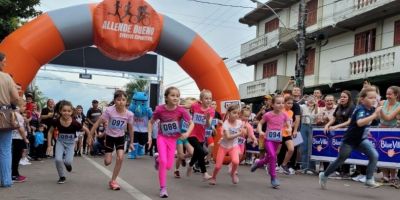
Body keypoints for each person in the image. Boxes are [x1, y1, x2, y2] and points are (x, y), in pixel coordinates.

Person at [319, 87, 381, 189]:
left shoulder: (372, 109)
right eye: (370, 98)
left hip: (361, 140)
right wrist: (374, 115)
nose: (373, 100)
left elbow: (372, 121)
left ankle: (369, 179)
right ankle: (324, 175)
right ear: (362, 99)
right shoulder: (360, 108)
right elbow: (360, 123)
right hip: (349, 141)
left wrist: (378, 111)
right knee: (340, 160)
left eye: (375, 97)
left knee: (374, 155)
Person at [147, 87, 194, 198]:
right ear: (166, 97)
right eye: (172, 95)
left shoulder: (181, 110)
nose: (175, 98)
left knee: (168, 166)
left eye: (177, 96)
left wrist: (187, 133)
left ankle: (157, 159)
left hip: (173, 140)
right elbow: (150, 122)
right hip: (162, 137)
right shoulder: (160, 109)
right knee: (164, 162)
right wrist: (149, 137)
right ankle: (163, 188)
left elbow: (192, 123)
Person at [90, 90, 134, 190]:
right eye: (118, 100)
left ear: (126, 101)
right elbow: (97, 123)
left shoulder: (129, 114)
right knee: (107, 162)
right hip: (109, 137)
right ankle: (109, 156)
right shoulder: (109, 111)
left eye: (123, 100)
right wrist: (89, 136)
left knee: (120, 158)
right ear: (114, 101)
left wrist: (131, 142)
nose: (121, 102)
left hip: (120, 137)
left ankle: (113, 180)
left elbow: (131, 128)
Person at [251, 95, 292, 188]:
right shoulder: (268, 114)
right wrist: (261, 131)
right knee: (273, 156)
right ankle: (273, 178)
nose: (281, 105)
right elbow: (260, 123)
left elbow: (289, 125)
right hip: (268, 139)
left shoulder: (284, 115)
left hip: (278, 140)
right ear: (272, 105)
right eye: (278, 103)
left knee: (270, 157)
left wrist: (289, 129)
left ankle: (258, 163)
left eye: (282, 103)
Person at [47, 100, 89, 184]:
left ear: (72, 112)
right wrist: (49, 145)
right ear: (60, 111)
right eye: (64, 111)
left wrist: (89, 138)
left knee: (68, 161)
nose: (66, 113)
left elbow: (86, 129)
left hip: (70, 143)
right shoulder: (56, 121)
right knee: (58, 159)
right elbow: (50, 132)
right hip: (60, 142)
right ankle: (62, 176)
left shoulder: (74, 123)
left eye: (69, 111)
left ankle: (68, 165)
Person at [209, 104, 244, 185]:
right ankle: (213, 177)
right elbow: (228, 137)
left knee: (236, 161)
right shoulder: (225, 124)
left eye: (238, 113)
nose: (236, 115)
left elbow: (243, 131)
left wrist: (244, 133)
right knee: (218, 166)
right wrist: (239, 134)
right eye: (234, 113)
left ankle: (232, 173)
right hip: (223, 147)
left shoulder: (239, 122)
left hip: (233, 146)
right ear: (229, 113)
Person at [323, 90, 355, 178]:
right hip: (338, 133)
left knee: (345, 151)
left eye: (344, 97)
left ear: (348, 98)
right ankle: (335, 170)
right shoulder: (339, 106)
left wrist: (337, 127)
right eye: (341, 97)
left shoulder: (352, 107)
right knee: (337, 151)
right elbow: (333, 118)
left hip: (348, 132)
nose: (342, 98)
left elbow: (349, 122)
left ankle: (345, 172)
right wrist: (327, 125)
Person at [0, 52, 20, 188]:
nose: (5, 64)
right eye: (4, 61)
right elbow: (15, 98)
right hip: (3, 114)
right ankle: (6, 180)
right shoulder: (6, 77)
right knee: (5, 149)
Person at [186, 90, 214, 181]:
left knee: (196, 153)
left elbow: (208, 126)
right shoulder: (195, 106)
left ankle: (190, 165)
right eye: (206, 98)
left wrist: (207, 120)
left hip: (201, 136)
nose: (208, 100)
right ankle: (204, 173)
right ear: (201, 99)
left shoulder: (211, 111)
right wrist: (178, 106)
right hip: (191, 133)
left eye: (210, 98)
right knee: (201, 152)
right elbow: (188, 106)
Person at [378, 86, 400, 184]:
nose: (387, 96)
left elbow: (388, 118)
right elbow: (376, 116)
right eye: (387, 94)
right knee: (381, 153)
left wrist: (380, 110)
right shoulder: (382, 102)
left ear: (396, 95)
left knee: (391, 153)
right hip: (380, 131)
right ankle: (385, 176)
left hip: (392, 132)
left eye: (390, 94)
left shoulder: (399, 106)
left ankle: (393, 176)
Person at [174, 98, 195, 178]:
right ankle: (176, 170)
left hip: (186, 137)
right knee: (180, 155)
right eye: (189, 104)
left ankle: (183, 157)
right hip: (179, 136)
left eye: (191, 105)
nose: (190, 106)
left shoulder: (192, 115)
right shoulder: (180, 112)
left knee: (192, 153)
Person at [11, 98, 30, 183]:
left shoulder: (12, 114)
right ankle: (14, 175)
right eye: (24, 106)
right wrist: (25, 139)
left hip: (14, 138)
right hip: (18, 138)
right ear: (18, 106)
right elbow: (20, 129)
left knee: (15, 157)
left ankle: (15, 174)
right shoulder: (17, 115)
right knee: (16, 157)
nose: (25, 108)